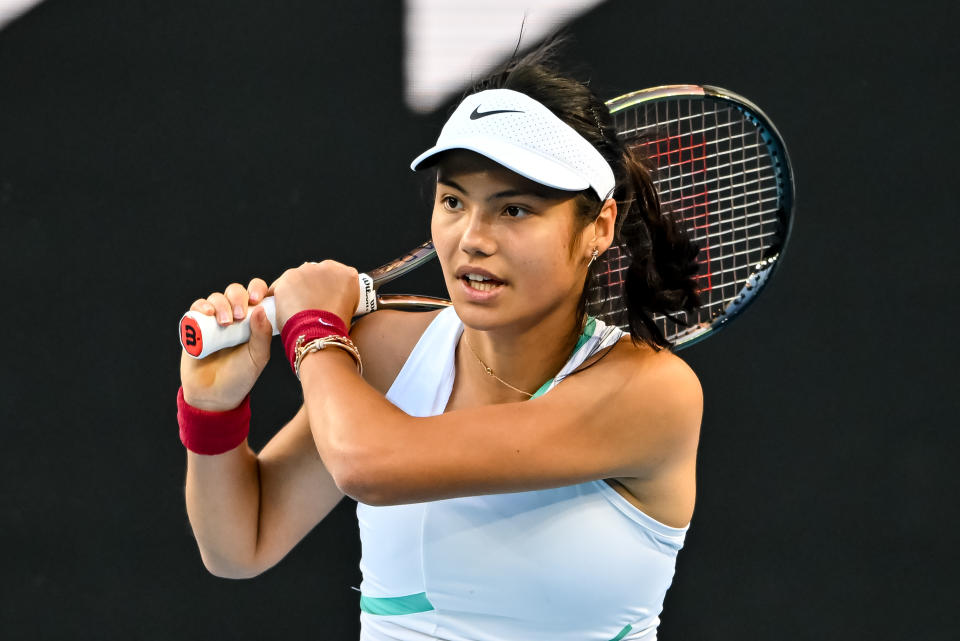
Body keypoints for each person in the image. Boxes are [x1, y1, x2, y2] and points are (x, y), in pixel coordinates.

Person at [178, 44, 703, 641]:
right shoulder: (386, 353)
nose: (473, 238)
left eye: (515, 210)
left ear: (599, 228)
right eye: (454, 201)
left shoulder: (650, 392)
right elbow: (240, 544)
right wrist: (213, 409)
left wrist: (313, 330)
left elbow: (368, 465)